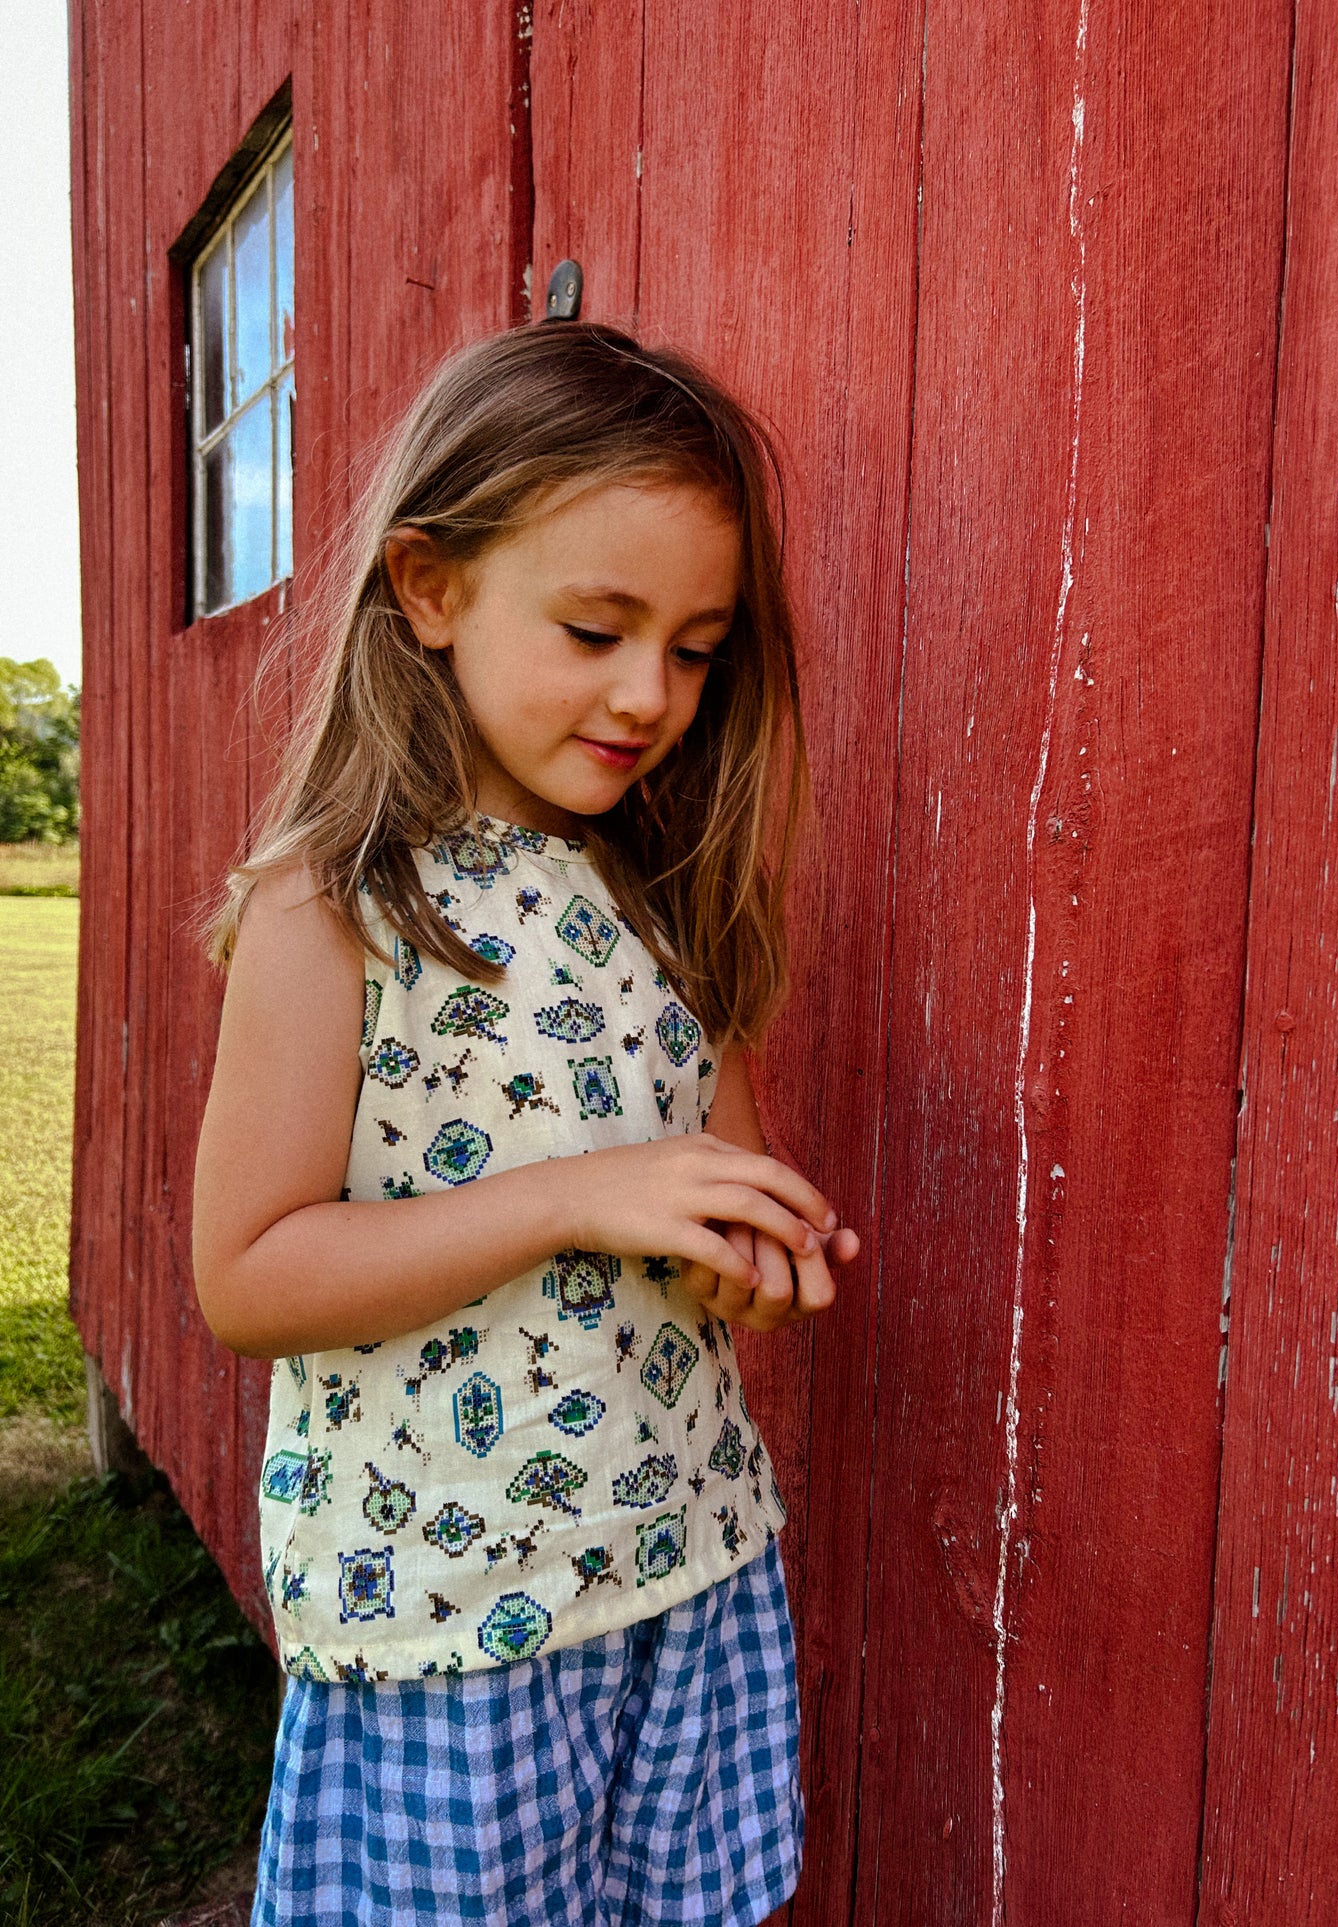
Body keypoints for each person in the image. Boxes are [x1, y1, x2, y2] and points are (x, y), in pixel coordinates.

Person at [191, 320, 860, 1927]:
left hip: (679, 1573)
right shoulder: (339, 906)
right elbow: (251, 1276)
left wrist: (752, 1250)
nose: (651, 694)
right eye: (594, 627)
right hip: (447, 1620)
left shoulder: (673, 905)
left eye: (696, 648)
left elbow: (702, 1201)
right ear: (428, 588)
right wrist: (581, 1194)